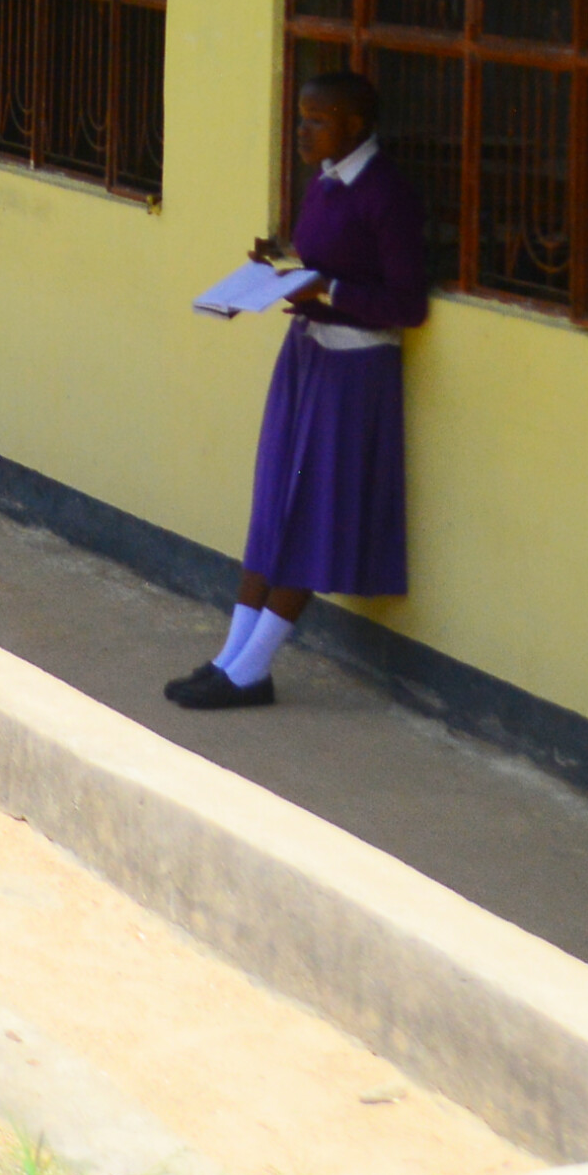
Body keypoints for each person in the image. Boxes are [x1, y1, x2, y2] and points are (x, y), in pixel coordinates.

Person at [167, 67, 427, 710]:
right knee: (275, 500)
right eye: (302, 117)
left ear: (355, 124)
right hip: (307, 355)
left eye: (318, 119)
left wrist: (324, 290)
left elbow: (404, 303)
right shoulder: (326, 181)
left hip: (354, 370)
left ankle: (253, 669)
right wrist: (275, 274)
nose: (303, 131)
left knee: (313, 513)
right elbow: (323, 261)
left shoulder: (384, 192)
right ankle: (230, 656)